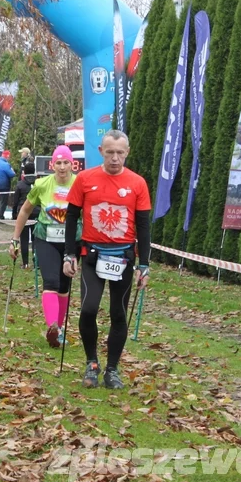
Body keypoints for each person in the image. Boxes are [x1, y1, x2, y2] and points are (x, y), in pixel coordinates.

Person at [62, 130, 151, 390]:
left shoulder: (137, 183)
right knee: (88, 309)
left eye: (119, 153)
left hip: (123, 257)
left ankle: (112, 369)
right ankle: (92, 362)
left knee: (118, 314)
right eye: (109, 152)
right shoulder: (85, 179)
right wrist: (69, 254)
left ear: (127, 152)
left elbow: (143, 226)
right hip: (92, 255)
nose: (115, 158)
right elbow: (71, 218)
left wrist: (144, 264)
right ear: (101, 151)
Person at [9, 146, 80, 348]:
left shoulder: (79, 184)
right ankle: (53, 328)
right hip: (45, 238)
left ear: (72, 164)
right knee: (51, 281)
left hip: (71, 242)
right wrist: (15, 239)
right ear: (52, 165)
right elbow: (24, 211)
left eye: (66, 162)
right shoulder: (41, 184)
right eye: (58, 163)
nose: (62, 167)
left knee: (64, 286)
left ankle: (60, 329)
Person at [10, 159, 39, 270]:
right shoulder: (38, 183)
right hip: (37, 213)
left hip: (24, 215)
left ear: (24, 172)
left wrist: (14, 214)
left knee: (24, 240)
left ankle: (25, 263)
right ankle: (37, 263)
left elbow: (15, 201)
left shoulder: (20, 185)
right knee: (36, 239)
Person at [0, 150, 16, 219]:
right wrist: (13, 171)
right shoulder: (6, 165)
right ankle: (1, 216)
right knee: (3, 202)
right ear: (7, 157)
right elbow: (11, 174)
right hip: (4, 186)